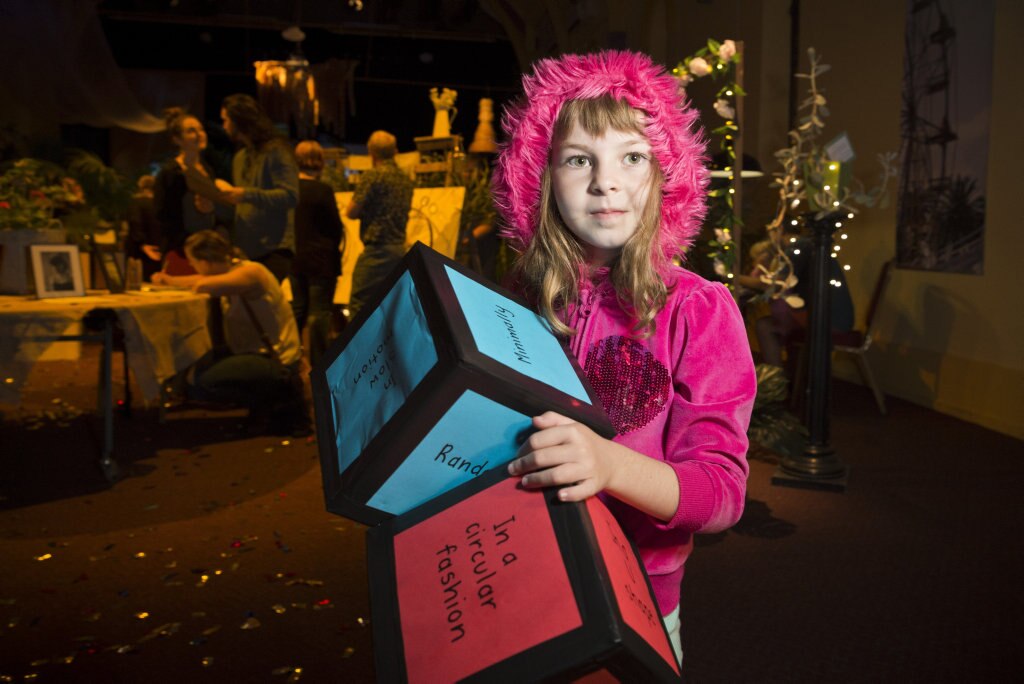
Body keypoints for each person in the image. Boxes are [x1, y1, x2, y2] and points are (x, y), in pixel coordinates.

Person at [491, 51, 757, 665]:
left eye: (631, 157)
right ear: (540, 176)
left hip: (636, 598)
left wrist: (607, 465)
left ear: (667, 175)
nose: (605, 182)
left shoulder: (698, 311)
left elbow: (719, 493)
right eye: (579, 159)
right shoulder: (516, 299)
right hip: (521, 578)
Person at [151, 230, 311, 436]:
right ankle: (265, 403)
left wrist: (169, 281)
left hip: (277, 358)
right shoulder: (235, 270)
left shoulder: (252, 272)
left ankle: (272, 398)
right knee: (198, 366)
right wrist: (169, 280)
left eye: (193, 261)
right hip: (256, 353)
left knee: (200, 382)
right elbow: (202, 279)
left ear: (206, 262)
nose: (192, 267)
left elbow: (203, 284)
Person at [216, 94, 299, 283]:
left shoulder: (276, 151)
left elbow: (290, 196)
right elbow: (241, 205)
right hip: (246, 250)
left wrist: (245, 194)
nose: (224, 126)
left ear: (239, 120)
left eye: (226, 120)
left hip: (273, 250)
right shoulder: (240, 157)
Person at [345, 129, 414, 319]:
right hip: (399, 251)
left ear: (371, 153)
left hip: (376, 253)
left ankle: (358, 347)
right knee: (391, 306)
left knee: (359, 303)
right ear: (395, 151)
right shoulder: (406, 180)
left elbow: (351, 212)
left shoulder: (372, 177)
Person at [292, 140, 345, 366]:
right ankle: (319, 363)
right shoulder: (323, 191)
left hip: (296, 258)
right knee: (319, 312)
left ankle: (292, 357)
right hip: (322, 260)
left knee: (298, 309)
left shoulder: (290, 190)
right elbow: (335, 227)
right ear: (320, 162)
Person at [153, 108, 219, 276]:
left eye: (201, 129)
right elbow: (162, 215)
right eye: (191, 131)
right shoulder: (170, 173)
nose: (199, 134)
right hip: (181, 251)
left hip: (207, 250)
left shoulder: (208, 170)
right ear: (177, 139)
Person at [125, 174, 162, 281]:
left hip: (139, 249)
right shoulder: (160, 204)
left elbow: (135, 222)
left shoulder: (136, 203)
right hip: (158, 247)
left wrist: (142, 243)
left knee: (138, 279)